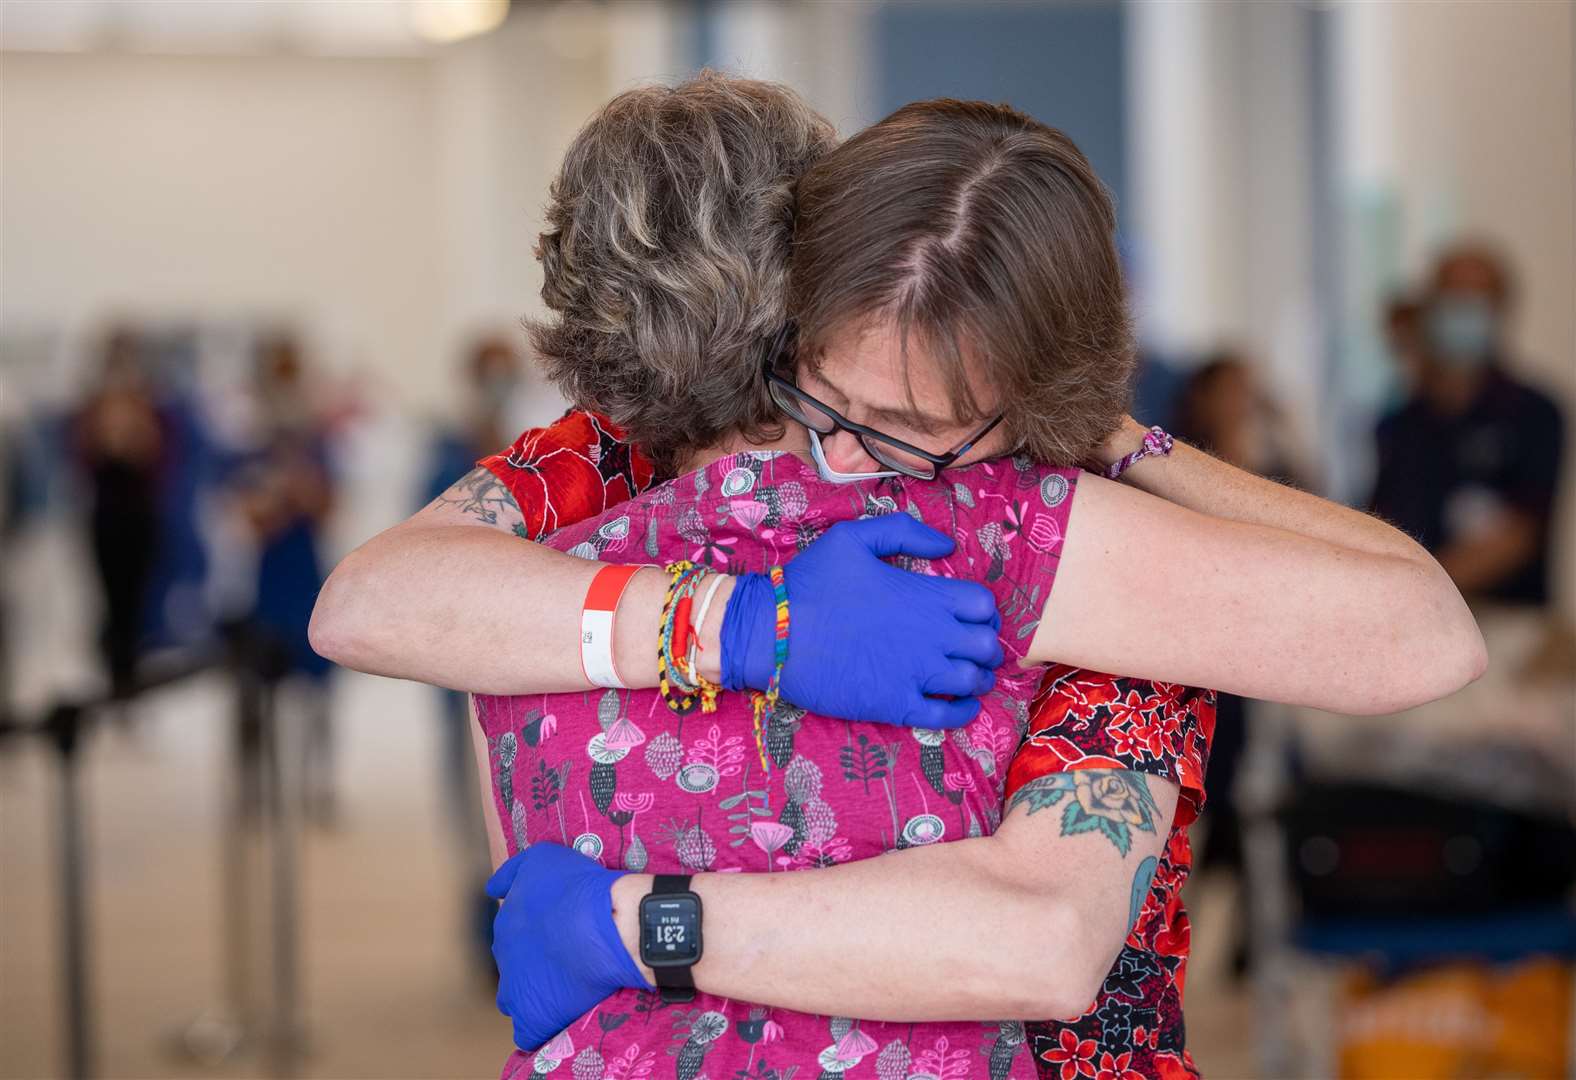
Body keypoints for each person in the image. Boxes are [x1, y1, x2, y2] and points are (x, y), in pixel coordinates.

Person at [310, 78, 1484, 1077]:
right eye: (835, 401)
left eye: (912, 424)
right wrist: (747, 627)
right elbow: (364, 604)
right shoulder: (1019, 531)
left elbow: (1040, 936)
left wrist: (631, 922)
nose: (855, 457)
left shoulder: (554, 543)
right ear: (801, 299)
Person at [1371, 244, 1566, 607]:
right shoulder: (1400, 421)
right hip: (1414, 618)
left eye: (1477, 301)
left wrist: (1420, 588)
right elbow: (1380, 522)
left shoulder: (1535, 413)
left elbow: (1520, 534)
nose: (1463, 312)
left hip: (1507, 620)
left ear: (1501, 310)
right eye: (1453, 298)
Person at [73, 327, 166, 697]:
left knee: (136, 602)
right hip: (108, 519)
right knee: (112, 604)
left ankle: (129, 679)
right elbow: (85, 457)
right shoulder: (94, 408)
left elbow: (155, 456)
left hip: (138, 518)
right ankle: (115, 678)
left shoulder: (145, 404)